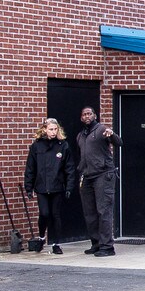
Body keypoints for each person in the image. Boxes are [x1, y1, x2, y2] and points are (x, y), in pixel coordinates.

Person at [22, 117, 76, 254]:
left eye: (55, 129)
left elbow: (69, 168)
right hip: (41, 186)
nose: (53, 132)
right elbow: (30, 168)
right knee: (44, 213)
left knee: (55, 214)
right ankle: (41, 237)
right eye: (51, 129)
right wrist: (28, 187)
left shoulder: (62, 145)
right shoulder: (37, 146)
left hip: (57, 185)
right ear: (45, 130)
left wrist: (69, 186)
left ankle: (56, 243)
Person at [76, 105, 120, 257]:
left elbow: (118, 142)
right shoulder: (80, 136)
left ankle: (107, 246)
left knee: (104, 211)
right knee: (90, 213)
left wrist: (112, 134)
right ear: (81, 118)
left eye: (89, 114)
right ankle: (96, 243)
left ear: (94, 115)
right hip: (87, 176)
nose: (87, 116)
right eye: (84, 114)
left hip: (103, 174)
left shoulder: (102, 129)